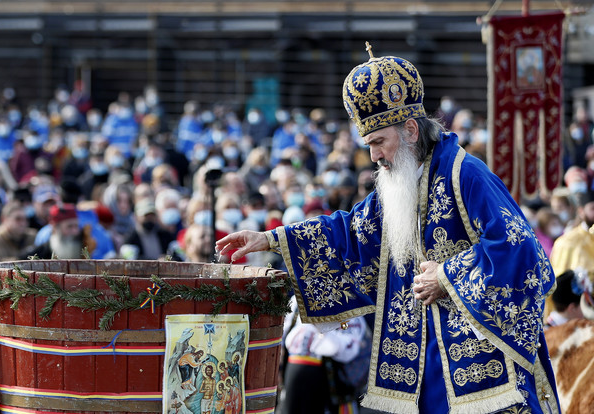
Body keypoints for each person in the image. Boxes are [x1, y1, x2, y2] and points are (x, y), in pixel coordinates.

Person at [216, 45, 559, 413]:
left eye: (379, 142)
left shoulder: (467, 174)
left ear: (411, 130)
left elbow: (520, 248)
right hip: (422, 366)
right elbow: (351, 234)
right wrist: (269, 238)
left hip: (484, 367)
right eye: (369, 145)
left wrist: (448, 277)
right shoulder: (399, 182)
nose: (375, 156)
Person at [22, 203, 94, 260]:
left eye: (76, 226)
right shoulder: (38, 255)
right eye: (69, 226)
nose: (75, 231)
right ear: (55, 228)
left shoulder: (85, 246)